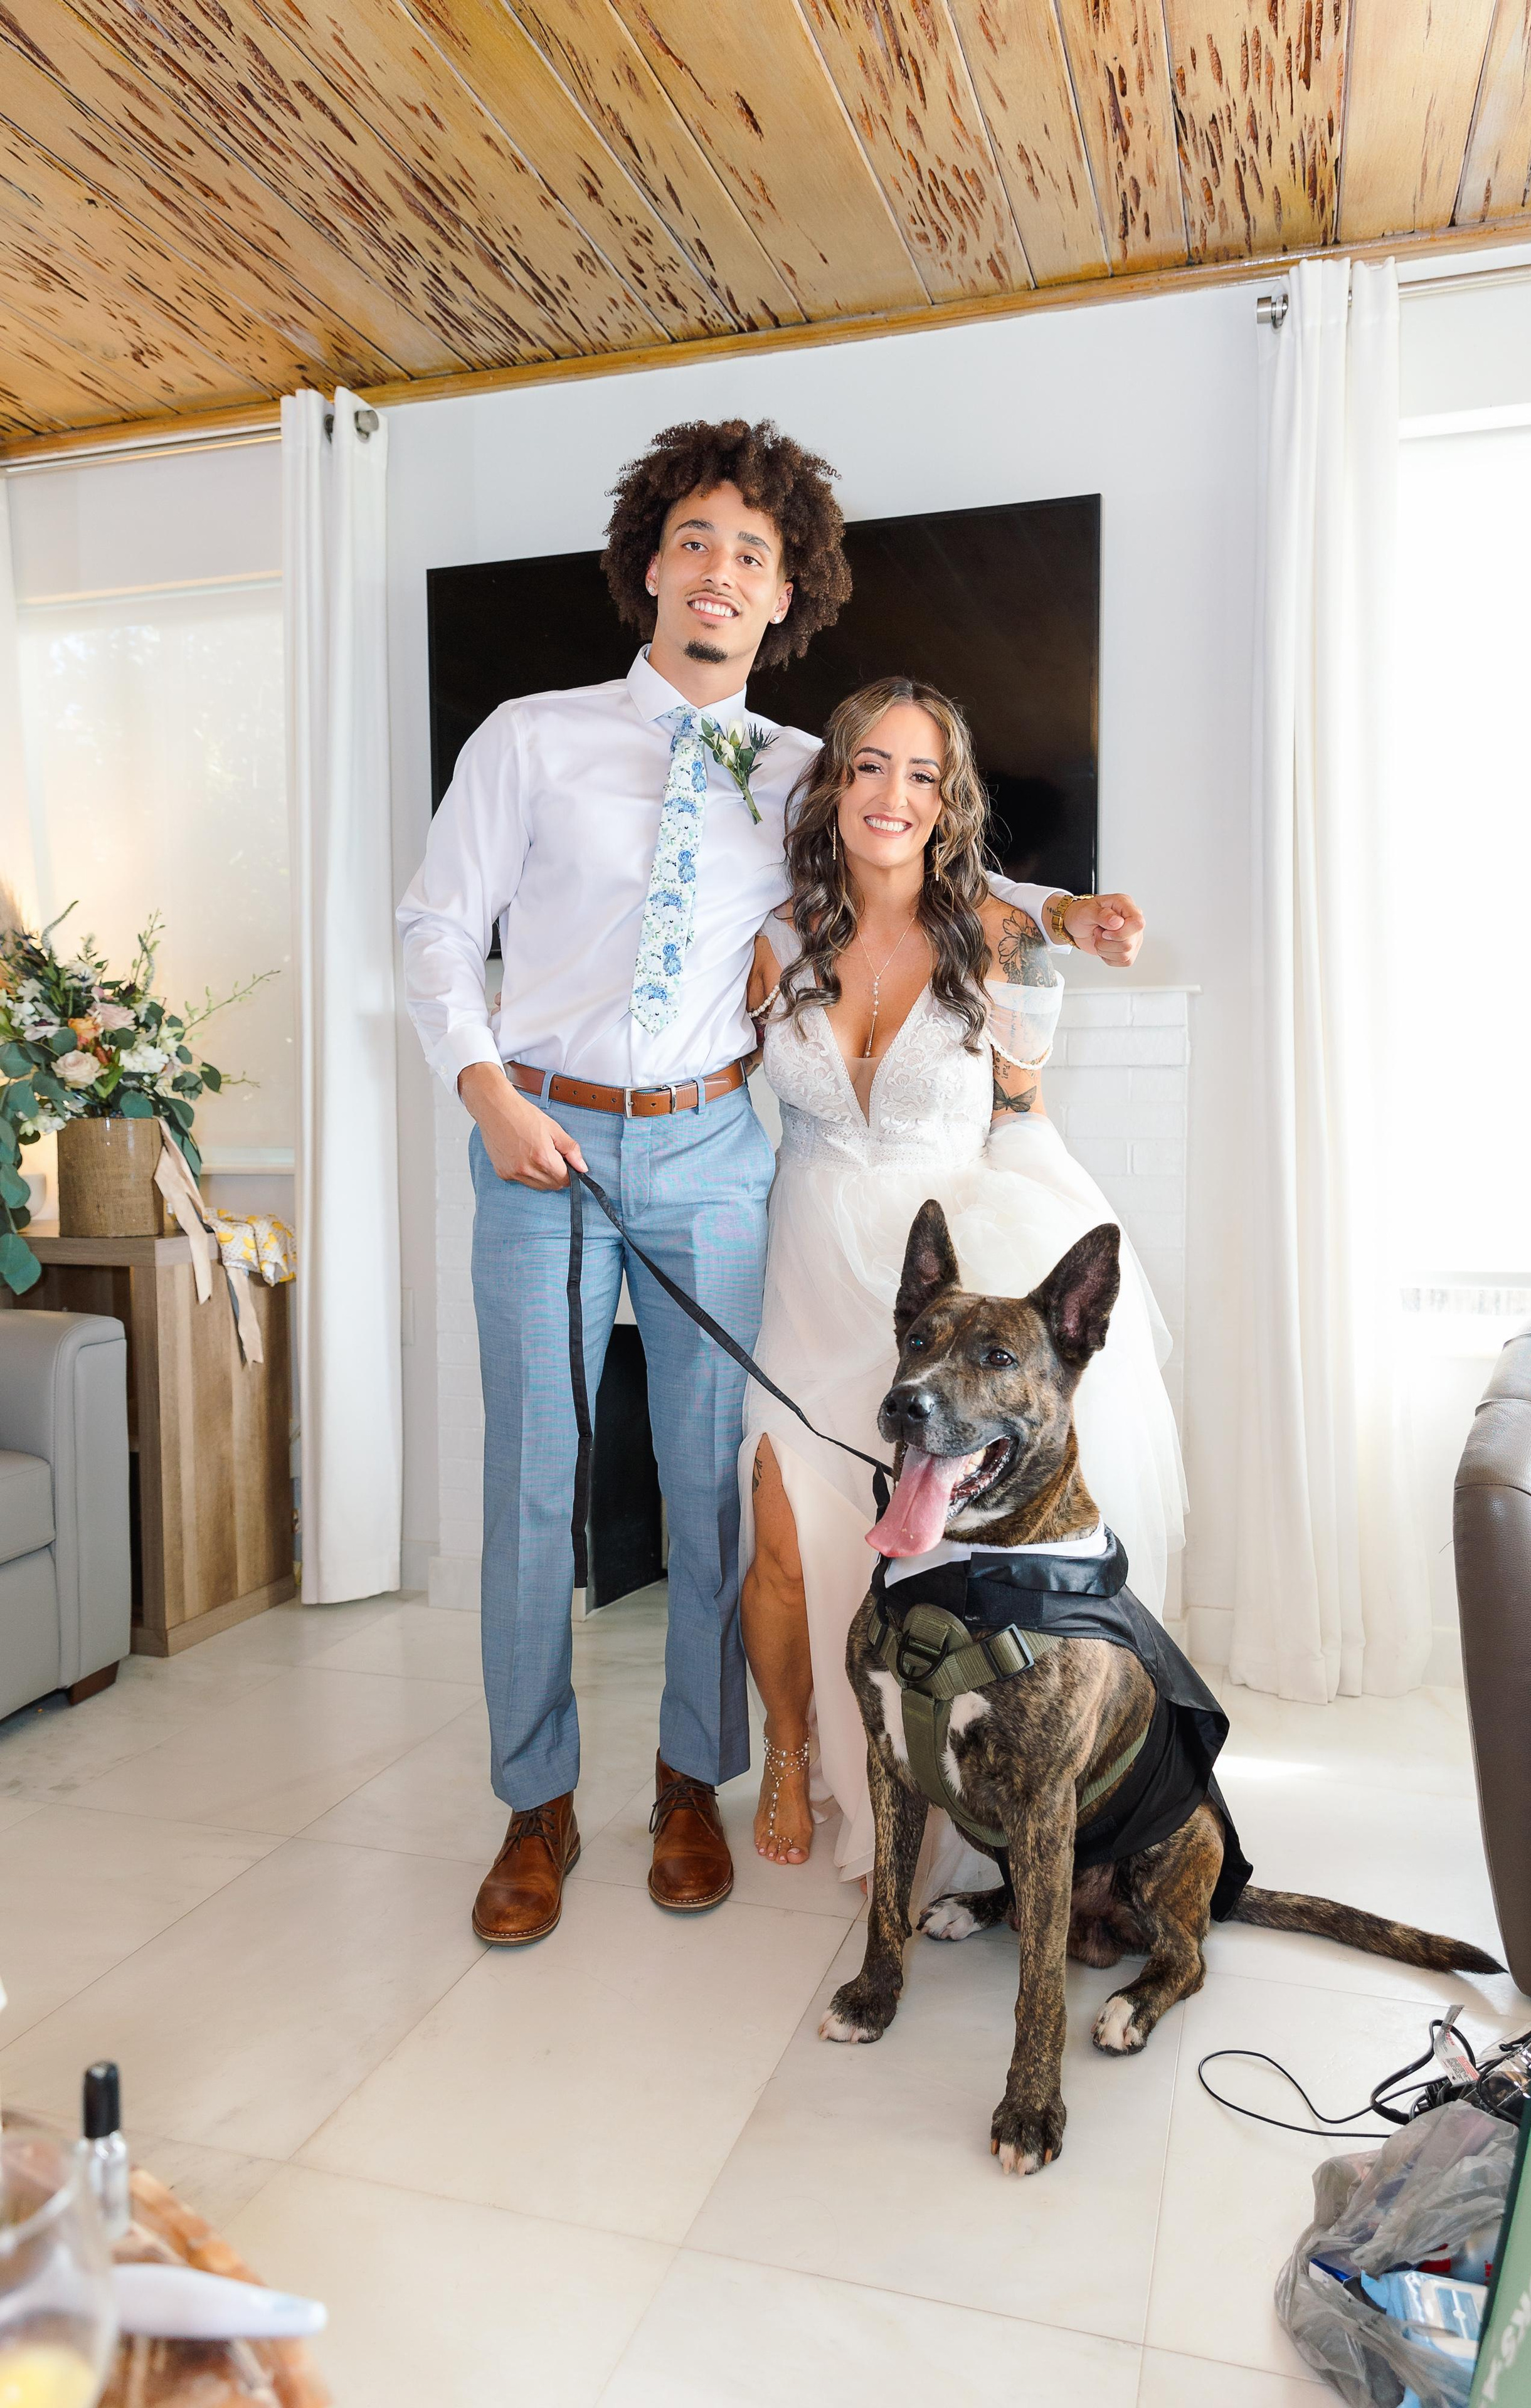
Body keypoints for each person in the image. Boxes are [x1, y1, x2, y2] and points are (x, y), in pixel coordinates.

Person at [397, 417, 1145, 1946]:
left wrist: (1065, 910)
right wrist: (483, 1094)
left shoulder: (809, 768)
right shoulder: (528, 740)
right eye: (696, 541)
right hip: (537, 1137)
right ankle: (534, 1805)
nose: (720, 571)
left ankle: (691, 1778)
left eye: (753, 551)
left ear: (783, 588)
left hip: (712, 1148)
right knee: (536, 1490)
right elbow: (431, 930)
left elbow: (930, 859)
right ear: (650, 567)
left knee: (706, 1484)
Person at [739, 675, 1185, 1901]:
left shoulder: (992, 929)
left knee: (940, 1550)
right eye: (870, 766)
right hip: (808, 1257)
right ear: (835, 783)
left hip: (939, 1270)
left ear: (949, 801)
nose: (893, 794)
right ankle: (792, 1753)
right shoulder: (768, 937)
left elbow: (1021, 1112)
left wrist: (1038, 1265)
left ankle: (961, 1779)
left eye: (921, 775)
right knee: (781, 1531)